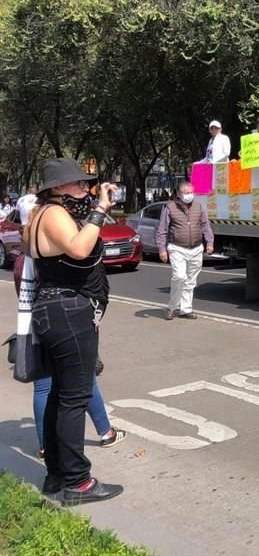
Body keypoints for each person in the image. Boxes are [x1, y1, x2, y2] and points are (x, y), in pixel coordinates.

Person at [24, 157, 123, 505]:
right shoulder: (53, 214)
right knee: (74, 398)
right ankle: (78, 482)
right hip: (68, 311)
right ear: (57, 187)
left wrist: (95, 208)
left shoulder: (40, 215)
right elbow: (81, 249)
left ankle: (56, 475)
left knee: (59, 396)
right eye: (78, 184)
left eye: (87, 184)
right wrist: (99, 209)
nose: (85, 189)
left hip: (53, 309)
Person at [156, 182, 214, 321]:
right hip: (177, 248)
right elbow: (162, 230)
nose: (189, 195)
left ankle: (186, 309)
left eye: (191, 192)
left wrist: (210, 242)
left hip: (196, 248)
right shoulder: (170, 208)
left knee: (190, 280)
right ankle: (172, 307)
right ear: (179, 194)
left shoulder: (199, 207)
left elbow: (206, 226)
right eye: (186, 193)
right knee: (179, 277)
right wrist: (162, 249)